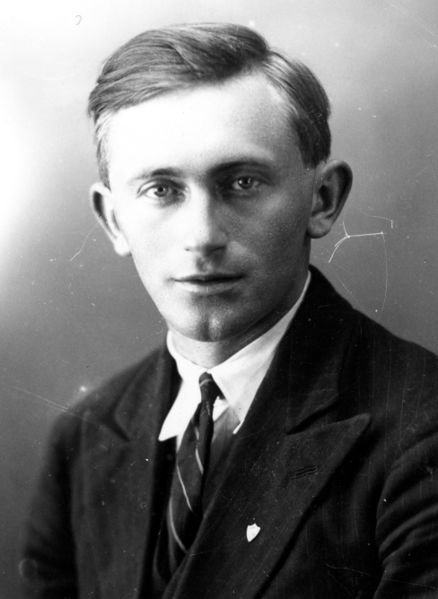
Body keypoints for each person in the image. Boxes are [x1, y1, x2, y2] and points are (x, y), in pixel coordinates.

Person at [20, 23, 438, 598]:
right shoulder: (85, 438)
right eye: (161, 190)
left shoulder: (421, 431)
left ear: (322, 199)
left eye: (242, 182)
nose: (202, 237)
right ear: (113, 220)